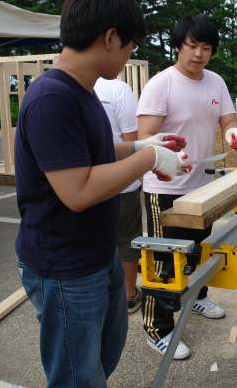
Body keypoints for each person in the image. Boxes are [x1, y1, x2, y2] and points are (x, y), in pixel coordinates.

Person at [13, 0, 189, 388]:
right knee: (77, 379)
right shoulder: (52, 97)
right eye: (130, 44)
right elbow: (78, 192)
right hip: (65, 268)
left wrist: (140, 146)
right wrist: (149, 159)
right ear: (110, 38)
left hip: (97, 254)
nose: (129, 54)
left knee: (98, 365)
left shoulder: (83, 92)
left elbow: (85, 152)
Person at [137, 14, 237, 361]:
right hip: (166, 187)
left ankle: (197, 297)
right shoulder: (161, 84)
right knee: (165, 262)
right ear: (177, 46)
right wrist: (166, 158)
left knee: (199, 252)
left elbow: (228, 118)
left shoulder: (216, 82)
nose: (199, 54)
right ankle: (158, 329)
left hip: (202, 185)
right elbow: (144, 137)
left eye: (206, 48)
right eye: (192, 45)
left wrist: (233, 131)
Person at [93, 77, 144, 314]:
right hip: (121, 184)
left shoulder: (69, 86)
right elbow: (132, 143)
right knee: (127, 241)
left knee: (93, 240)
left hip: (88, 183)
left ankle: (98, 295)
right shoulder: (118, 89)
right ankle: (129, 295)